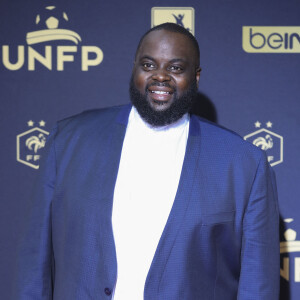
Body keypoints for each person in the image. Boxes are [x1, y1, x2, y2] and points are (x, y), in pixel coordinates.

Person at [13, 23, 279, 299]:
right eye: (149, 65)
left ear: (196, 77)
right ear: (135, 69)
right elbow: (35, 264)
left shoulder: (243, 163)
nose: (160, 76)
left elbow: (258, 284)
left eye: (176, 68)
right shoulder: (69, 141)